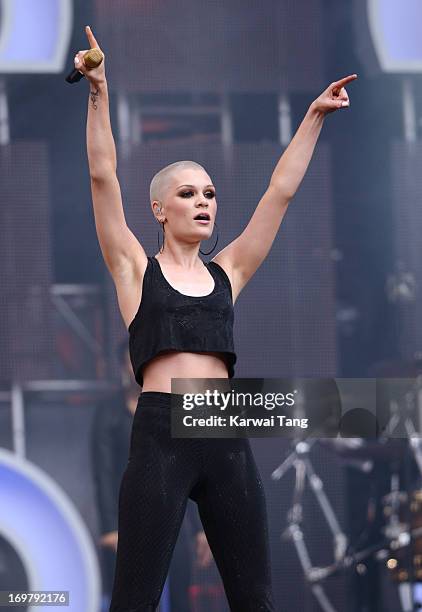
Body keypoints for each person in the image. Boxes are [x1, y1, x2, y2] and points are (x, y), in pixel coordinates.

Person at [75, 24, 357, 612]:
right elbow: (104, 176)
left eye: (208, 192)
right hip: (161, 429)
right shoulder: (134, 267)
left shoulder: (228, 271)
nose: (203, 201)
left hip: (223, 424)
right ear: (158, 210)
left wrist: (313, 118)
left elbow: (278, 193)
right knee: (135, 599)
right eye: (187, 194)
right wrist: (97, 89)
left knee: (255, 597)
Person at [91, 340, 212, 611]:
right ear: (124, 366)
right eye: (132, 362)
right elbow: (103, 472)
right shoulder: (109, 412)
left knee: (180, 593)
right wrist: (110, 528)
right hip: (128, 517)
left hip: (174, 513)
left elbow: (193, 468)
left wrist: (203, 527)